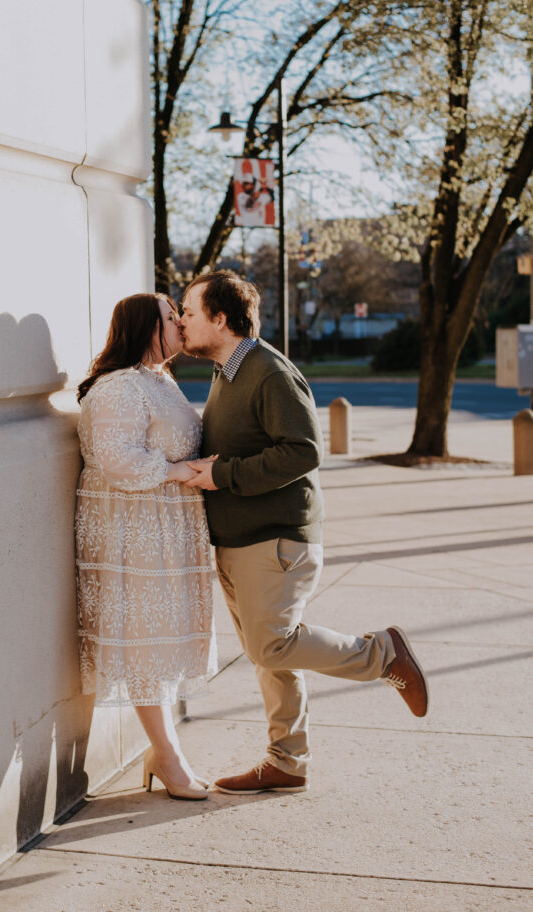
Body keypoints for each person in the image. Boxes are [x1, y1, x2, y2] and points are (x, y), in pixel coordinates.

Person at [181, 270, 429, 795]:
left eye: (189, 312)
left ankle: (383, 654)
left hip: (275, 540)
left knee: (273, 646)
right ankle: (287, 761)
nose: (182, 322)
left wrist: (222, 475)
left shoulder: (268, 371)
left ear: (220, 319)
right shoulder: (227, 372)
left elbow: (303, 450)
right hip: (239, 539)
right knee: (269, 653)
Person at [75, 293, 217, 801]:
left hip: (164, 524)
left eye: (180, 315)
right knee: (143, 641)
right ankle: (169, 758)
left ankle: (163, 752)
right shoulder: (118, 387)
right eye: (170, 318)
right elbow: (117, 458)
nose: (181, 324)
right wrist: (181, 471)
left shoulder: (159, 380)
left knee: (157, 642)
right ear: (144, 329)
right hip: (132, 529)